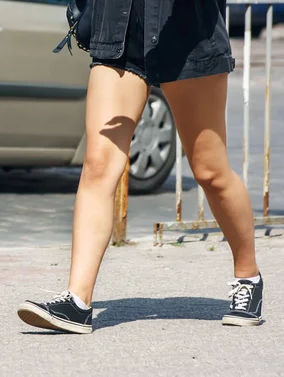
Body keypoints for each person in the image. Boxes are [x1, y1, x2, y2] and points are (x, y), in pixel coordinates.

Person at [16, 0, 263, 334]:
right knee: (99, 164)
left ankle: (247, 276)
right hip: (120, 32)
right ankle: (77, 301)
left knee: (210, 171)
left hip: (188, 36)